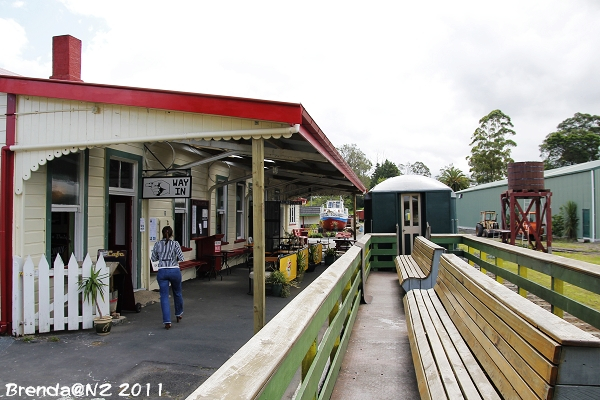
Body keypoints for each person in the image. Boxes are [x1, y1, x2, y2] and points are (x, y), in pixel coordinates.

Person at [151, 226, 185, 329]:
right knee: (177, 293)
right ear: (171, 234)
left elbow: (153, 258)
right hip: (174, 270)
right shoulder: (175, 244)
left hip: (162, 271)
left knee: (164, 296)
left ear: (161, 233)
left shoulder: (157, 244)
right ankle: (178, 314)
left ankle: (167, 321)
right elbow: (181, 258)